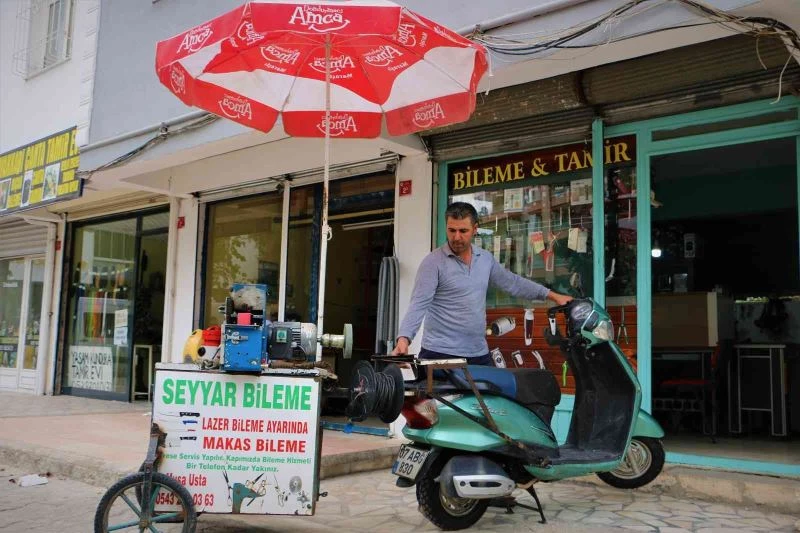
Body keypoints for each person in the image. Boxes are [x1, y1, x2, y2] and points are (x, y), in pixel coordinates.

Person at [392, 202, 573, 366]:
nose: (456, 237)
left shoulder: (485, 259)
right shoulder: (433, 263)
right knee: (440, 404)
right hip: (439, 354)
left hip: (478, 353)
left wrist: (553, 296)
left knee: (487, 402)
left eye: (463, 231)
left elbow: (513, 283)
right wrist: (404, 339)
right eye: (451, 230)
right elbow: (418, 304)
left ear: (475, 229)